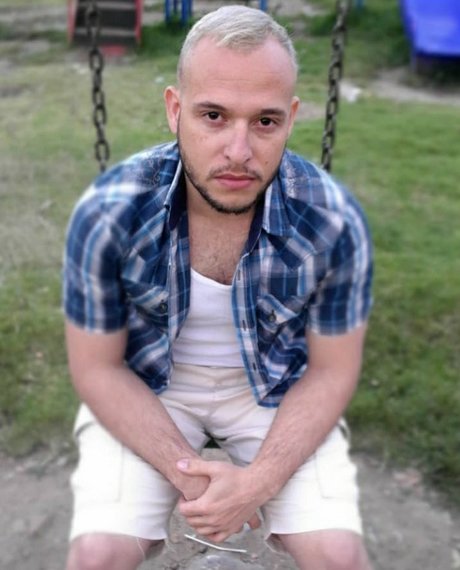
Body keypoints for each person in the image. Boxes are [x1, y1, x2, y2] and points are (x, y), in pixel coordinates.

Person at [63, 5, 374, 570]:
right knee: (96, 556)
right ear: (174, 110)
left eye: (265, 122)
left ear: (291, 118)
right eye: (213, 116)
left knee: (340, 556)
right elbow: (96, 367)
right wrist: (192, 476)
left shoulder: (332, 218)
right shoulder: (109, 211)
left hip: (277, 388)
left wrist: (257, 483)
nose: (238, 151)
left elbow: (332, 370)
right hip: (148, 385)